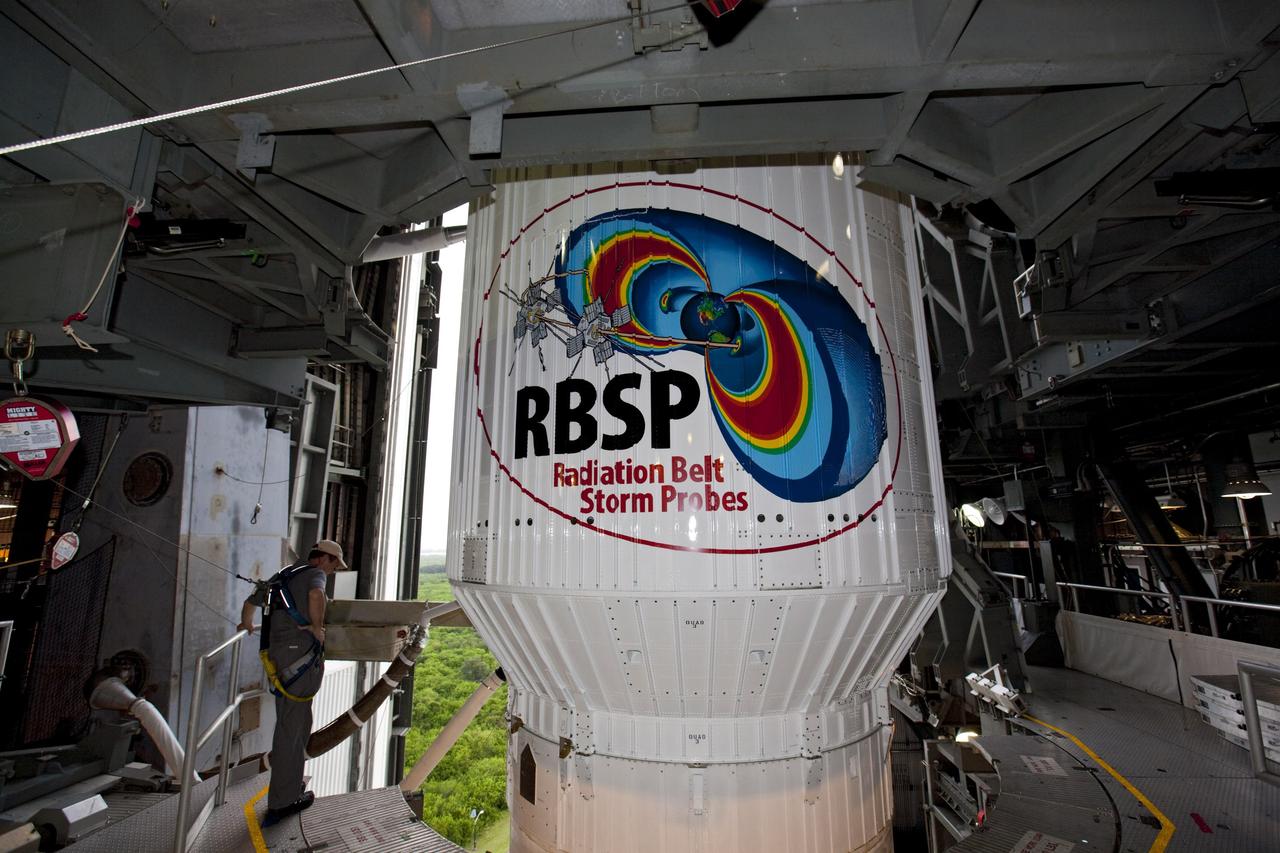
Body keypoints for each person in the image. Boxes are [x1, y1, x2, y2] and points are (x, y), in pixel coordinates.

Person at [238, 539, 347, 826]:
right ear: (323, 559)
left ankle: (288, 784)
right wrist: (316, 627)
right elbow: (315, 595)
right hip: (299, 662)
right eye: (334, 564)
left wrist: (245, 623)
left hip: (280, 661)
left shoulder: (284, 574)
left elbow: (251, 601)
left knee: (293, 725)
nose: (333, 571)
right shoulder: (315, 574)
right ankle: (283, 802)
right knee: (292, 730)